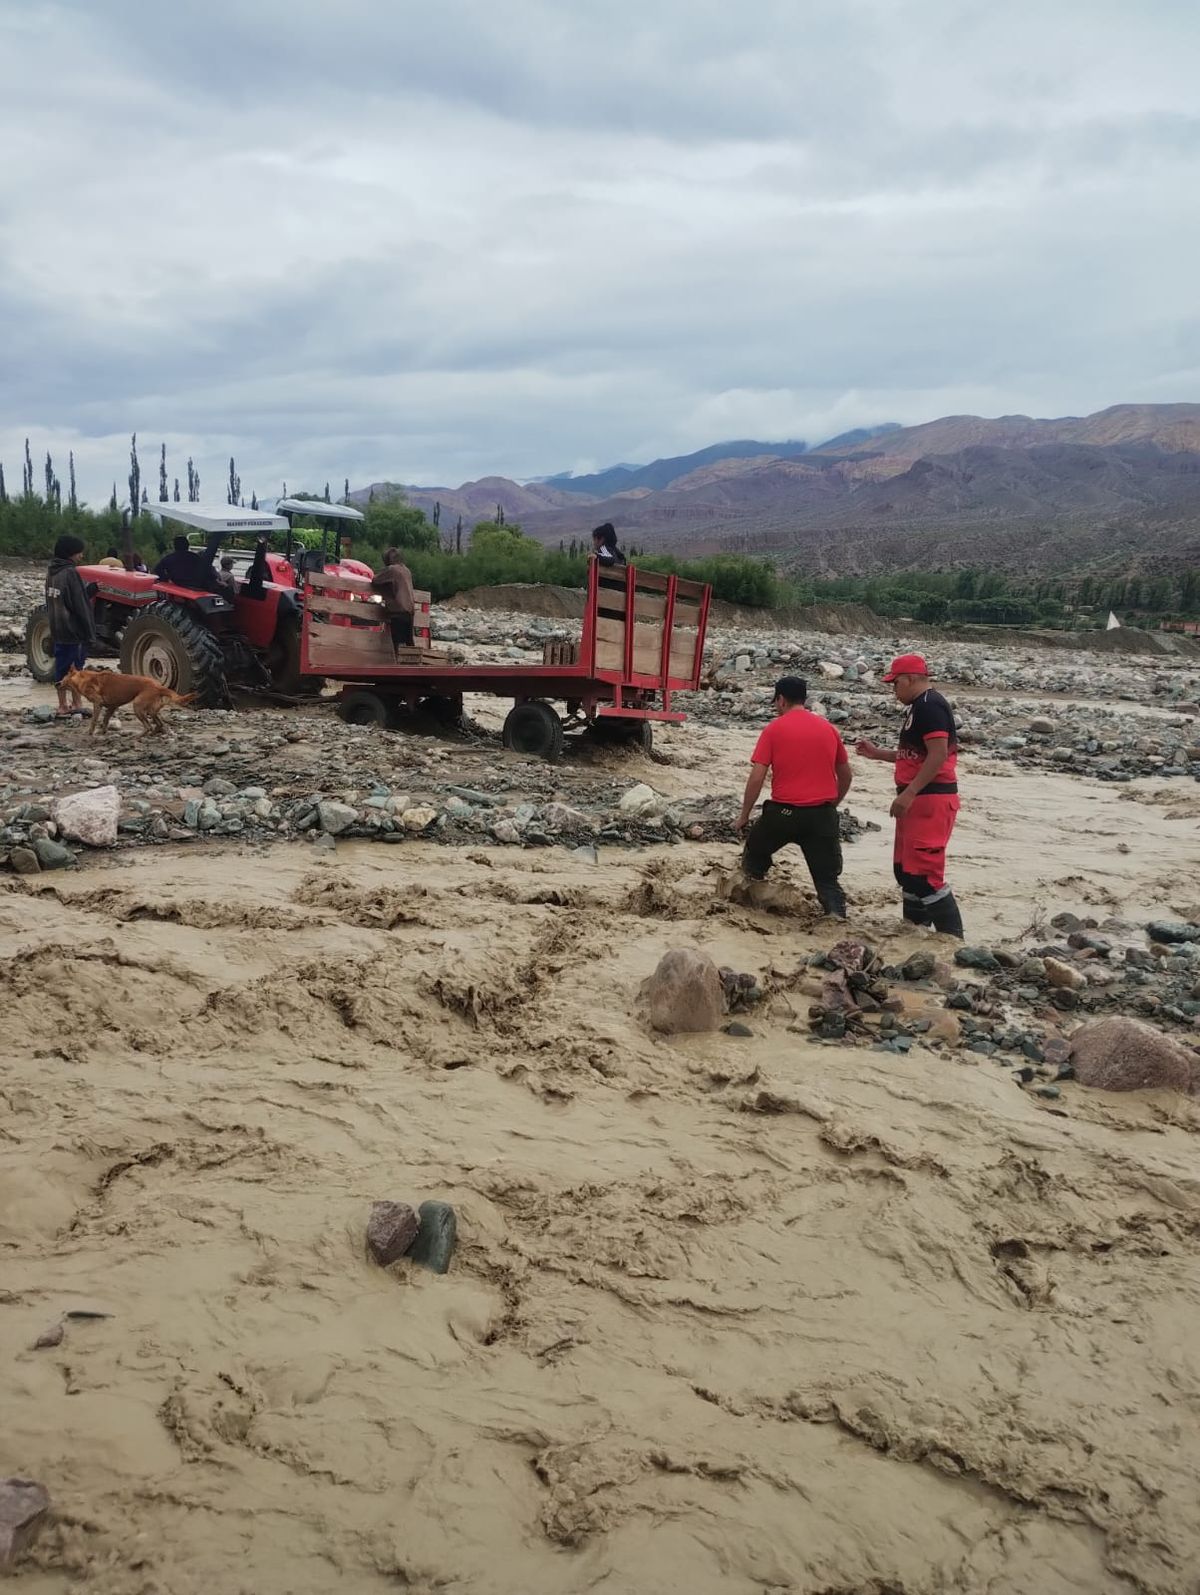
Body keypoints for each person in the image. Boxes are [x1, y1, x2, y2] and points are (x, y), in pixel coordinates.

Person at [857, 653, 964, 938]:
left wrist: (910, 793)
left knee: (925, 876)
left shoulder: (930, 706)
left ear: (910, 679)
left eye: (896, 684)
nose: (894, 690)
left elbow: (938, 755)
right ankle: (913, 934)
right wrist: (878, 754)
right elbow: (917, 756)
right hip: (918, 799)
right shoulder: (918, 707)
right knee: (906, 873)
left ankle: (952, 941)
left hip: (929, 799)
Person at [736, 676, 852, 917]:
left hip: (782, 815)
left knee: (754, 855)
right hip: (821, 816)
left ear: (780, 700)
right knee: (828, 882)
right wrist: (832, 805)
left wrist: (744, 815)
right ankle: (836, 919)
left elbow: (757, 776)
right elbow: (846, 775)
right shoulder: (828, 729)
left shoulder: (774, 729)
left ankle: (746, 903)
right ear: (804, 699)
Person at [44, 534, 97, 719]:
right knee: (75, 669)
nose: (81, 556)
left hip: (57, 627)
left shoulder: (52, 571)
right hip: (73, 630)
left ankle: (63, 705)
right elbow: (79, 604)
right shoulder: (70, 573)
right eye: (79, 553)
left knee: (62, 666)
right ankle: (73, 705)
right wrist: (90, 631)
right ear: (70, 553)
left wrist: (88, 590)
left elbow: (60, 598)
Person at [371, 546, 416, 653]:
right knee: (409, 642)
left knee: (397, 644)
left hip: (398, 610)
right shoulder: (406, 570)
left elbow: (375, 580)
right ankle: (412, 666)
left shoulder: (392, 569)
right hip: (410, 610)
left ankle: (398, 666)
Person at [153, 534, 219, 589]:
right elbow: (207, 570)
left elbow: (157, 569)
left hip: (177, 586)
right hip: (196, 587)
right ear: (187, 545)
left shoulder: (168, 558)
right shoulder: (195, 557)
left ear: (175, 546)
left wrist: (166, 579)